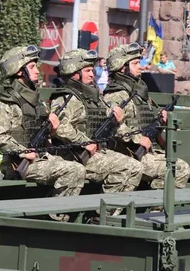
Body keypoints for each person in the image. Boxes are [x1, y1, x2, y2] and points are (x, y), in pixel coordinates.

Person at [0, 45, 85, 221]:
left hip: (40, 158)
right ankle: (55, 219)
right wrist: (21, 151)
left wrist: (52, 130)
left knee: (79, 167)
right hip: (18, 164)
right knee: (74, 170)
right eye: (32, 67)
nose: (37, 71)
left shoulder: (36, 101)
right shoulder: (8, 102)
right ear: (18, 71)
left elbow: (43, 133)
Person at [50, 49, 143, 199]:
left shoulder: (93, 97)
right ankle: (105, 213)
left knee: (134, 166)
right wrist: (84, 142)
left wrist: (116, 120)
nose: (92, 74)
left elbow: (105, 118)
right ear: (74, 73)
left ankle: (107, 213)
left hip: (96, 152)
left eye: (92, 70)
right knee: (129, 167)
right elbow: (60, 126)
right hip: (73, 155)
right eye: (87, 71)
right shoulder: (66, 97)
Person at [103, 43, 190, 190]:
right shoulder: (116, 94)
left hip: (144, 152)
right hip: (126, 153)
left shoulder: (139, 93)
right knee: (180, 168)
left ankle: (156, 208)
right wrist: (138, 139)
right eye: (135, 63)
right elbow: (111, 127)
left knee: (179, 165)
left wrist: (161, 120)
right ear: (122, 68)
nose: (140, 66)